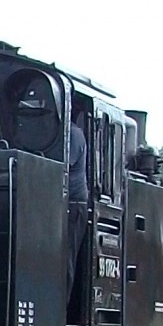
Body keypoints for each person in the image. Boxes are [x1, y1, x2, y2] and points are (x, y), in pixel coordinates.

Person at [66, 118, 89, 302]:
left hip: (74, 203)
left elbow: (65, 164)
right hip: (63, 200)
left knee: (66, 257)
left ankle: (62, 307)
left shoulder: (74, 134)